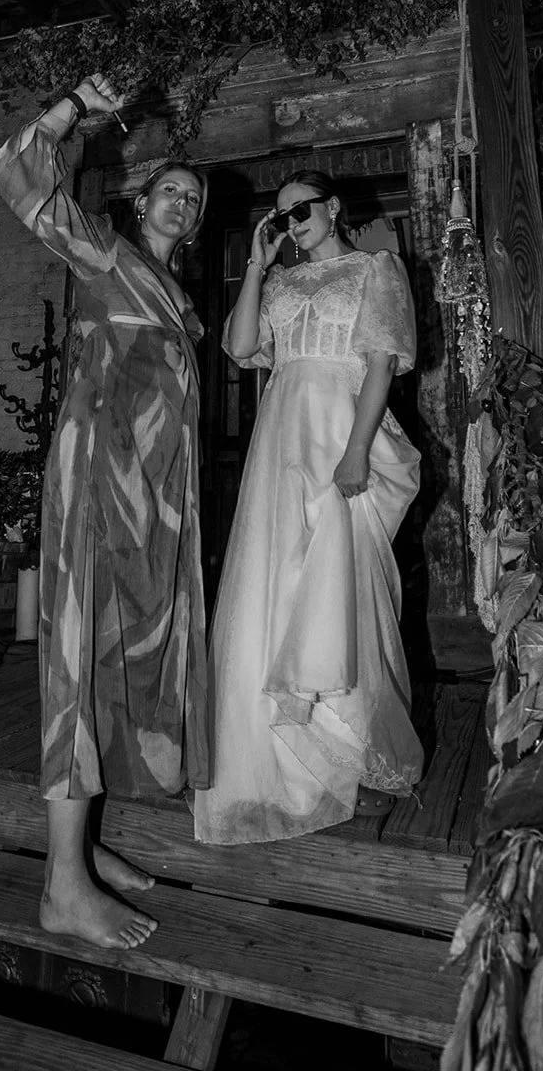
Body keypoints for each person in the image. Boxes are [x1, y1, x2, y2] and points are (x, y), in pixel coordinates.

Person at [0, 74, 209, 948]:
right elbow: (18, 171)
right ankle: (59, 887)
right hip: (97, 485)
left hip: (151, 502)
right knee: (78, 665)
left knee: (122, 662)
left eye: (194, 198)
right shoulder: (105, 252)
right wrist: (70, 109)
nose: (184, 204)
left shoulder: (175, 294)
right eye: (170, 190)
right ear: (139, 198)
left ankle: (89, 850)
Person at [194, 170, 424, 845]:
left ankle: (350, 756)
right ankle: (266, 754)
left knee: (341, 584)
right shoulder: (279, 281)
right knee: (272, 580)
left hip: (341, 429)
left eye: (302, 210)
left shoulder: (375, 268)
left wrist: (355, 451)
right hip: (281, 438)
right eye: (281, 214)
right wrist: (255, 268)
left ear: (334, 208)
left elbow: (381, 362)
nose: (292, 221)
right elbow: (240, 350)